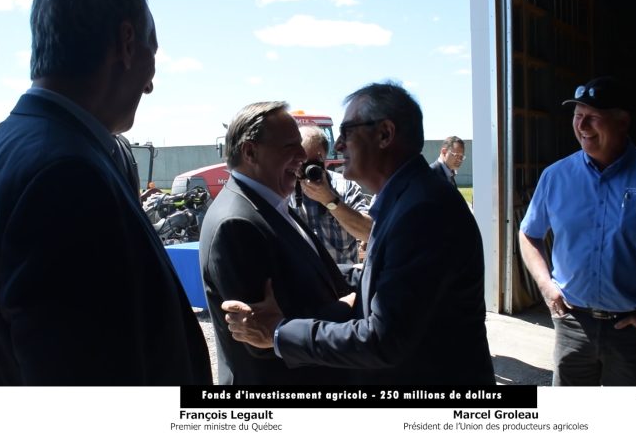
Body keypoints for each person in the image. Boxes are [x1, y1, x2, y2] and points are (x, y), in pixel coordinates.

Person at [0, 0, 211, 385]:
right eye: (153, 53)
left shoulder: (6, 148)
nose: (150, 83)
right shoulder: (67, 174)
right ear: (127, 43)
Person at [221, 82, 495, 385]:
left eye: (347, 131)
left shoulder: (423, 210)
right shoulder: (408, 198)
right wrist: (310, 275)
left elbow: (382, 339)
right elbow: (388, 271)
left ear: (385, 134)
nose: (338, 145)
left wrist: (277, 333)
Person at [518, 75, 636, 386]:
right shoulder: (556, 176)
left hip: (633, 330)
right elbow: (529, 234)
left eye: (593, 117)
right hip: (572, 324)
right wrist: (545, 285)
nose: (582, 126)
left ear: (622, 122)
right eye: (578, 116)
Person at [199, 101, 355, 385]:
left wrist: (366, 275)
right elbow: (259, 340)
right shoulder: (236, 223)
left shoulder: (269, 201)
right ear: (250, 152)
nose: (302, 155)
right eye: (289, 146)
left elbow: (311, 272)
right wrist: (348, 306)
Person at [290, 124, 372, 265]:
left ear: (324, 160)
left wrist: (330, 200)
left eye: (312, 163)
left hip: (344, 283)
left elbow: (369, 232)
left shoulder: (346, 186)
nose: (306, 169)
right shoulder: (284, 190)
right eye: (300, 163)